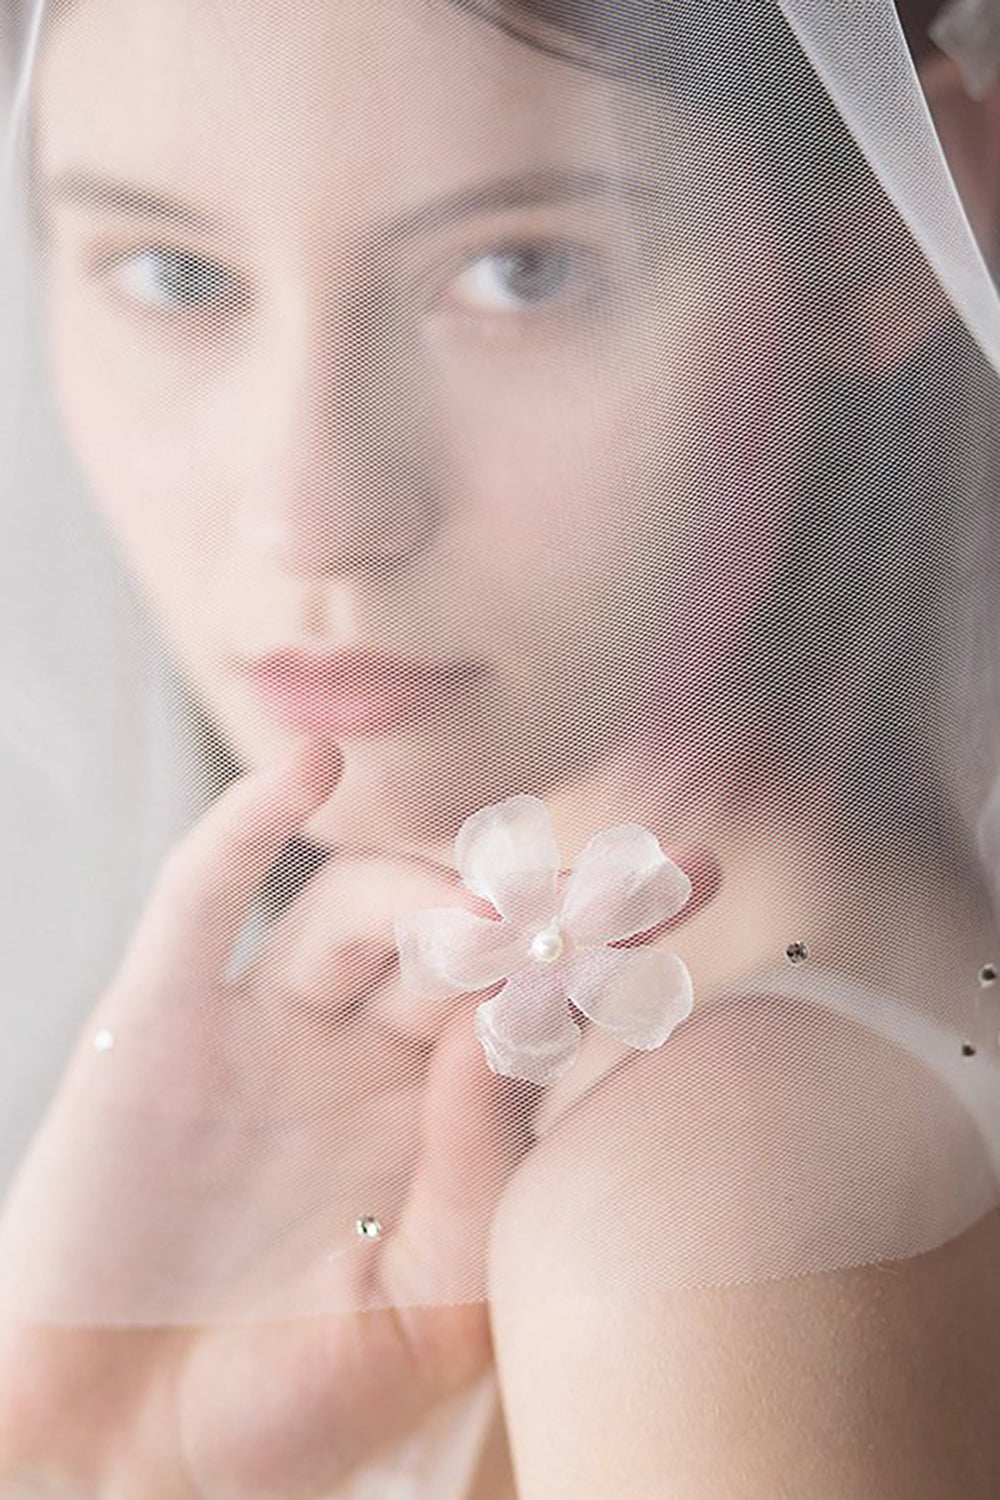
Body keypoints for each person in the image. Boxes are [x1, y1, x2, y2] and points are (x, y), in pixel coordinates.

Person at [0, 1, 999, 1495]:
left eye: (519, 270)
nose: (310, 513)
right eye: (176, 272)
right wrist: (95, 1444)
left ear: (876, 237)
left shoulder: (702, 1229)